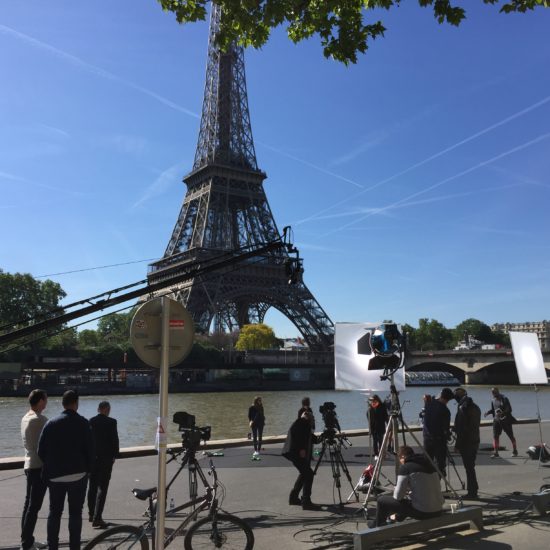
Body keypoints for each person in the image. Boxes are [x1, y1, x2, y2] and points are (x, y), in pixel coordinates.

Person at [38, 390, 94, 550]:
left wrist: (51, 465)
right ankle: (74, 547)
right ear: (76, 403)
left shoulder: (51, 424)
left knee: (54, 512)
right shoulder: (83, 423)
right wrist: (88, 470)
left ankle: (53, 546)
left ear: (63, 404)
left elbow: (41, 451)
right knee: (75, 513)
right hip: (78, 474)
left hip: (55, 476)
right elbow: (91, 450)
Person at [370, 445, 444, 527]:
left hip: (423, 512)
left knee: (382, 500)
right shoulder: (430, 466)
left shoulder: (406, 468)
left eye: (399, 459)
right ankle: (392, 519)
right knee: (408, 501)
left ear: (403, 456)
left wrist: (400, 489)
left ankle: (378, 527)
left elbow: (398, 497)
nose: (400, 462)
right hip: (438, 510)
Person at [20, 389, 48, 550]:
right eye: (45, 399)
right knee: (33, 507)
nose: (46, 402)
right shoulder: (40, 419)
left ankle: (27, 540)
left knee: (28, 506)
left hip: (29, 464)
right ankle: (26, 544)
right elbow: (48, 444)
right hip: (39, 467)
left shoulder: (25, 418)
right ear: (40, 401)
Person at [87, 401, 119, 529]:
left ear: (98, 409)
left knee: (92, 487)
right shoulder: (112, 422)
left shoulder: (90, 421)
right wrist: (114, 456)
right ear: (107, 409)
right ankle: (97, 517)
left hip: (93, 459)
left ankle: (91, 514)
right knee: (102, 488)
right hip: (106, 460)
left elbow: (88, 440)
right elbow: (114, 440)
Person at [282, 411, 321, 510]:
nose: (313, 421)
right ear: (308, 418)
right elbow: (298, 436)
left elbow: (312, 439)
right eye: (313, 419)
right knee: (308, 474)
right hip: (296, 453)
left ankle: (293, 498)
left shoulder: (302, 423)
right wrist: (301, 449)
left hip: (293, 453)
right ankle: (306, 502)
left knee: (304, 473)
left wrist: (323, 437)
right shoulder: (302, 422)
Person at [453, 387, 481, 499]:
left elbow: (462, 429)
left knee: (469, 467)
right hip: (475, 440)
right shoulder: (475, 407)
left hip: (466, 442)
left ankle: (472, 492)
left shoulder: (462, 408)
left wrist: (457, 445)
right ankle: (473, 489)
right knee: (471, 466)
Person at [422, 387, 453, 477]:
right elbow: (445, 428)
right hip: (439, 440)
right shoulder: (445, 411)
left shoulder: (429, 404)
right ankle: (438, 479)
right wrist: (448, 434)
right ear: (447, 399)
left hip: (427, 438)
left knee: (428, 461)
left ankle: (427, 481)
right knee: (440, 463)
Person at [484, 387, 518, 458]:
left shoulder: (504, 399)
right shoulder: (493, 400)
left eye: (495, 392)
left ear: (498, 391)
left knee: (510, 436)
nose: (493, 393)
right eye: (492, 392)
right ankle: (496, 452)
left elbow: (509, 409)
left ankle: (515, 450)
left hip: (505, 420)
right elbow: (493, 410)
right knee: (495, 436)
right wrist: (488, 412)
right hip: (496, 420)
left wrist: (502, 413)